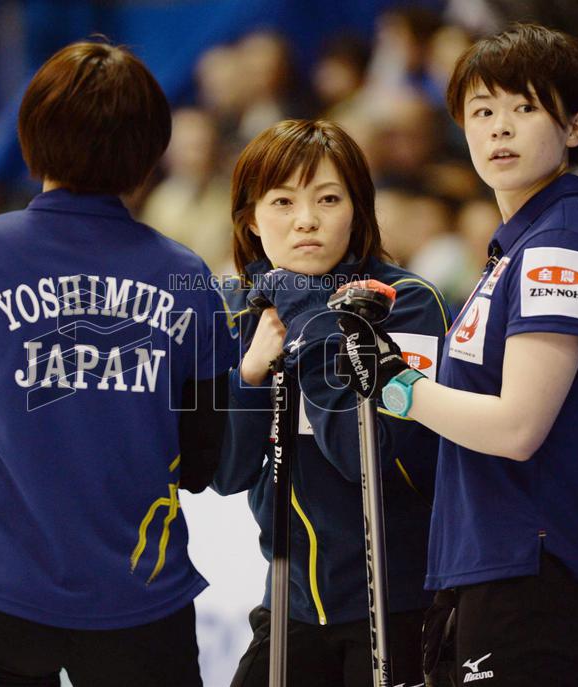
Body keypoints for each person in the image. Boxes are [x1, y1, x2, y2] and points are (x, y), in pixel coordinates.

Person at [0, 40, 237, 687]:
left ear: (30, 134)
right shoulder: (188, 277)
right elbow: (202, 462)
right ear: (149, 150)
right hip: (140, 603)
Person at [337, 24, 578, 685]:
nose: (500, 128)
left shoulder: (560, 243)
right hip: (487, 563)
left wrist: (398, 384)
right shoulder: (516, 249)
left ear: (576, 127)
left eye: (525, 108)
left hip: (534, 571)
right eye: (482, 111)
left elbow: (518, 426)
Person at [212, 119, 451, 686]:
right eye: (282, 201)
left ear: (358, 209)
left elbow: (366, 458)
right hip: (290, 604)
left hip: (396, 606)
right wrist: (249, 373)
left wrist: (311, 322)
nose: (306, 220)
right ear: (250, 217)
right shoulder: (239, 314)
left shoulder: (405, 304)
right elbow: (224, 473)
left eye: (328, 199)